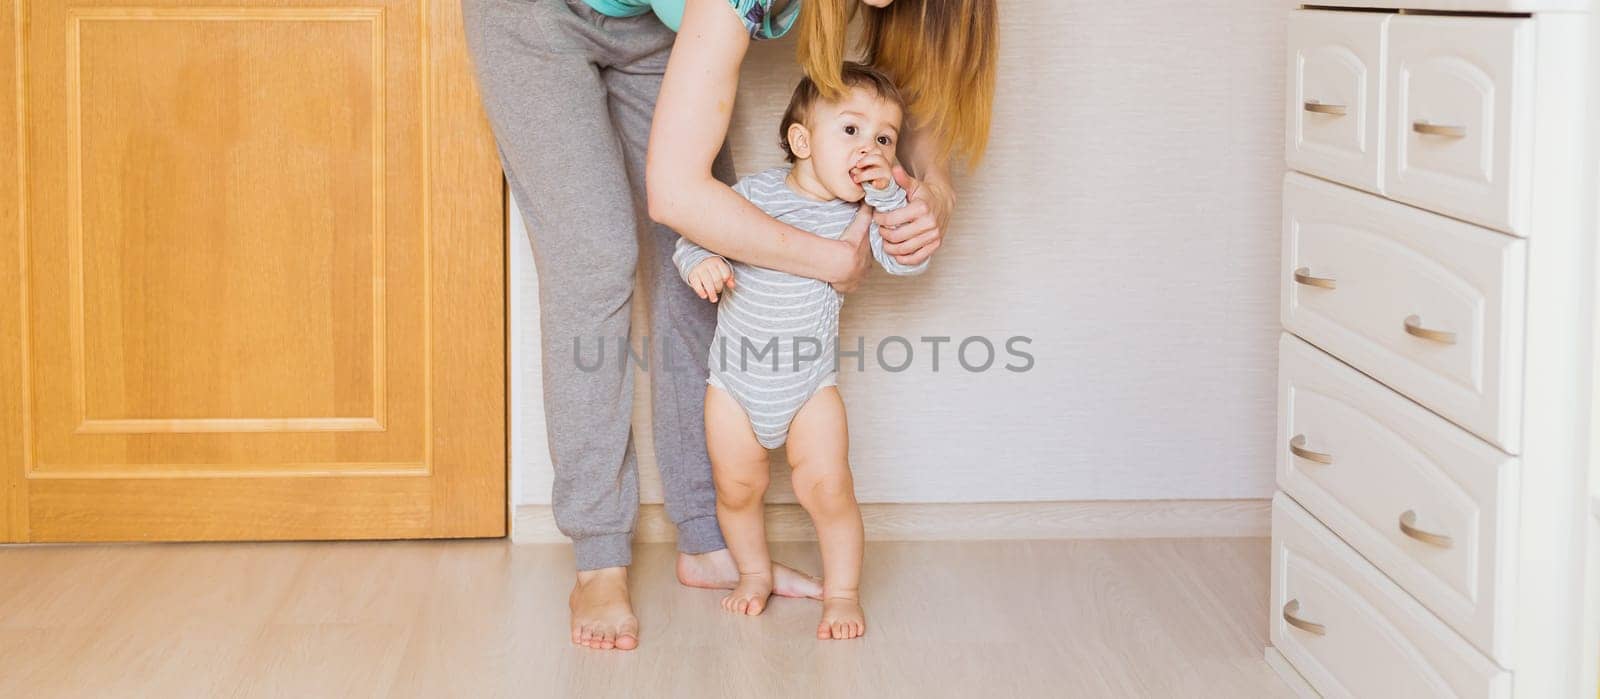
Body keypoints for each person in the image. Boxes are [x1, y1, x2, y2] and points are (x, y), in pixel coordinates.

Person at [461, 0, 996, 651]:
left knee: (700, 270)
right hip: (534, 16)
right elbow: (678, 196)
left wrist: (932, 189)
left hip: (660, 22)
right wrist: (828, 258)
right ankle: (599, 556)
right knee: (595, 256)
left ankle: (707, 539)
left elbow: (913, 81)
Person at [674, 63, 921, 640]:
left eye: (885, 138)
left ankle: (841, 592)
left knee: (829, 488)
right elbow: (692, 231)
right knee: (736, 489)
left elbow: (907, 258)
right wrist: (700, 262)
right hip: (733, 384)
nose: (871, 148)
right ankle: (754, 573)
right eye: (853, 131)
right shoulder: (754, 193)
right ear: (802, 141)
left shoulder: (865, 213)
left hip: (810, 386)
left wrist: (888, 197)